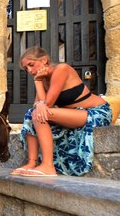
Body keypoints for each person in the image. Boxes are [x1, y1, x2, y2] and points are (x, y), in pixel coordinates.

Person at [11, 46, 112, 177]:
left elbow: (47, 104)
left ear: (44, 60)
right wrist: (39, 82)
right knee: (31, 115)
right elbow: (38, 105)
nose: (29, 70)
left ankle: (48, 166)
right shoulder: (43, 80)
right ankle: (32, 162)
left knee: (41, 114)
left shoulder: (61, 69)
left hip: (95, 113)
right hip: (75, 115)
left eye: (31, 65)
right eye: (26, 69)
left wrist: (37, 81)